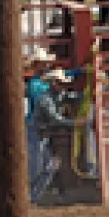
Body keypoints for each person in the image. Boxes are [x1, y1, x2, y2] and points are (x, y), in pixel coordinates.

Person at [29, 68, 77, 204]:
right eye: (61, 83)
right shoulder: (45, 99)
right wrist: (76, 123)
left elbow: (71, 97)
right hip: (36, 134)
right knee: (37, 168)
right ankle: (30, 197)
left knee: (49, 167)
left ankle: (33, 198)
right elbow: (55, 120)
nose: (63, 87)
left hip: (42, 135)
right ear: (54, 83)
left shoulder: (57, 96)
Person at [25, 47, 56, 196]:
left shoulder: (40, 82)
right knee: (37, 165)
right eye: (43, 63)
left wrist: (79, 71)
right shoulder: (36, 85)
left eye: (46, 63)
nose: (46, 65)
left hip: (39, 126)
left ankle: (34, 196)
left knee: (46, 165)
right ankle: (31, 195)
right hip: (36, 126)